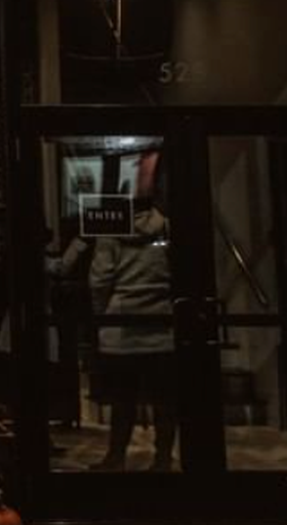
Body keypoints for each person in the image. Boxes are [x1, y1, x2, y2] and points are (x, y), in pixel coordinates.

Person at [87, 200, 176, 472]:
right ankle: (162, 457)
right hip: (160, 323)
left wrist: (103, 314)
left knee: (122, 399)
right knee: (164, 400)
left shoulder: (111, 231)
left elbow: (100, 279)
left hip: (121, 326)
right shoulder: (166, 228)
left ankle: (116, 457)